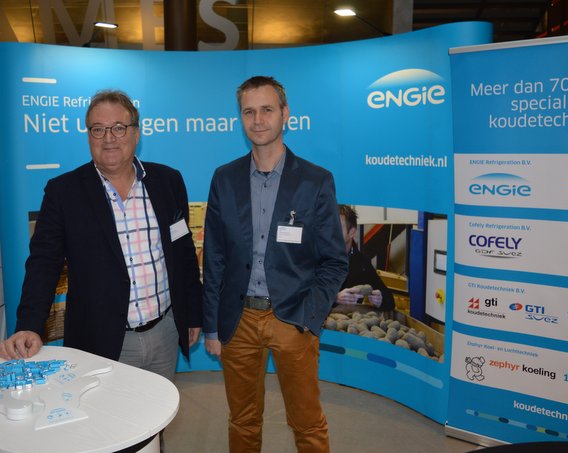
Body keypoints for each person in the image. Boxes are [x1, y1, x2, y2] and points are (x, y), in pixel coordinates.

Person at [0, 90, 202, 382]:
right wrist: (29, 324)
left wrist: (192, 313)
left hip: (165, 332)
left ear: (136, 133)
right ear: (88, 136)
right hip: (100, 341)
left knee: (159, 410)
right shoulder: (63, 192)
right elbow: (43, 264)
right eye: (98, 129)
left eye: (119, 128)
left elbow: (183, 253)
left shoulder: (168, 181)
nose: (109, 138)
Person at [202, 76, 348, 452]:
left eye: (267, 109)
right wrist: (212, 327)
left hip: (292, 319)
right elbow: (214, 257)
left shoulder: (315, 180)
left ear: (285, 113)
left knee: (307, 424)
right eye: (248, 111)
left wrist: (310, 316)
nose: (258, 120)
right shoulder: (224, 178)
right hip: (238, 320)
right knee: (243, 420)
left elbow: (334, 260)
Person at [335, 205, 395, 311]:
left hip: (349, 319)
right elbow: (305, 296)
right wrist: (335, 298)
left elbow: (390, 301)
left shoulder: (362, 263)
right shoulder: (315, 257)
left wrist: (380, 299)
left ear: (352, 232)